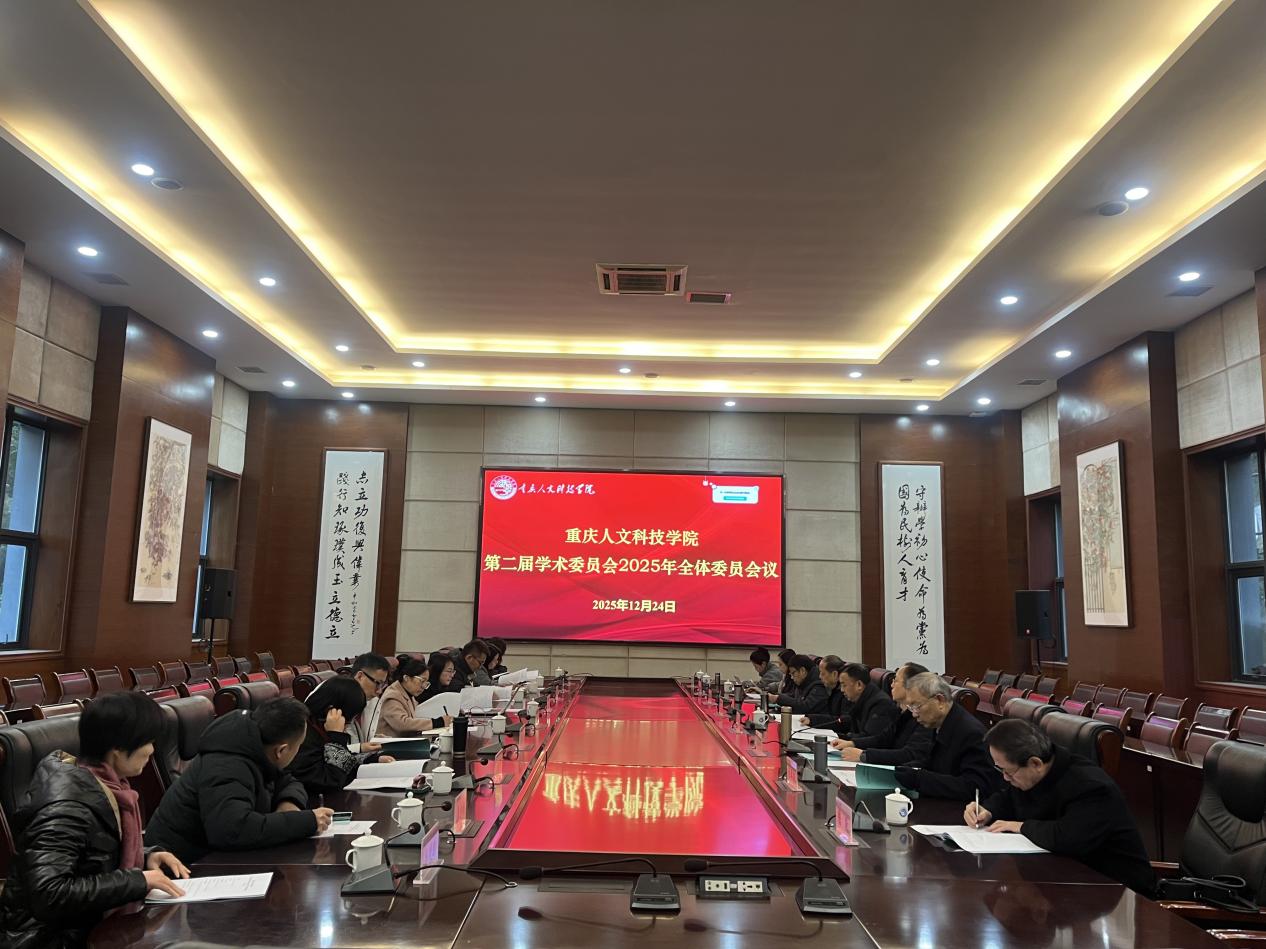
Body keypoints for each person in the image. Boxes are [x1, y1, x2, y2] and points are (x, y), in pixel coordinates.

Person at [0, 692, 189, 948]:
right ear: (118, 748)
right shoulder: (69, 806)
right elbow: (48, 892)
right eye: (148, 741)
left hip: (87, 930)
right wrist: (137, 881)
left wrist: (146, 857)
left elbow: (90, 856)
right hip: (50, 940)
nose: (152, 750)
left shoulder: (108, 788)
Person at [964, 719, 1156, 894]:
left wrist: (1021, 826)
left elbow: (1068, 837)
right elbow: (1009, 798)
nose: (1005, 778)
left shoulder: (1091, 787)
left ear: (1035, 763)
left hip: (1118, 890)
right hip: (1068, 879)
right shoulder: (1034, 775)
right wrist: (987, 810)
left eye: (1008, 772)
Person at [144, 697, 335, 864]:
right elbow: (233, 830)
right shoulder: (226, 765)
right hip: (182, 866)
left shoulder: (254, 744)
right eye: (298, 747)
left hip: (216, 856)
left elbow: (289, 781)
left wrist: (289, 803)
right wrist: (306, 821)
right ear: (281, 751)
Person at [892, 672, 1001, 801]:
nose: (914, 714)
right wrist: (911, 767)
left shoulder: (971, 733)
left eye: (917, 706)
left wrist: (919, 779)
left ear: (940, 700)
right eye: (911, 707)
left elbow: (975, 787)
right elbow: (936, 763)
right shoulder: (940, 723)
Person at [290, 677, 393, 797]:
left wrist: (369, 760)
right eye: (348, 721)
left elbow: (339, 759)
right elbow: (330, 781)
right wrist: (336, 736)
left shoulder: (316, 724)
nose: (347, 726)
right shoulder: (301, 733)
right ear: (331, 711)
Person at [833, 662, 934, 765]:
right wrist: (852, 743)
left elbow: (910, 754)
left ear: (911, 686)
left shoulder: (925, 717)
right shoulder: (904, 713)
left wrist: (863, 755)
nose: (891, 685)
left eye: (896, 680)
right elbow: (883, 738)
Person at [306, 652, 390, 753]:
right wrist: (359, 748)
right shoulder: (332, 692)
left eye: (383, 685)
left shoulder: (372, 698)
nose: (379, 691)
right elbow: (327, 751)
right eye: (378, 683)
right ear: (360, 676)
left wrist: (373, 740)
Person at [377, 654, 454, 736]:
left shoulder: (409, 694)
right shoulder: (392, 695)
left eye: (426, 683)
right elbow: (402, 723)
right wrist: (437, 722)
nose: (424, 687)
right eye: (422, 681)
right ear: (406, 678)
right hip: (389, 741)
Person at [833, 663, 899, 741]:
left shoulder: (881, 704)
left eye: (844, 685)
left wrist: (840, 738)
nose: (842, 690)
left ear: (859, 685)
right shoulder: (859, 699)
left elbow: (871, 739)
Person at [803, 656, 851, 728]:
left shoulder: (847, 693)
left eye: (823, 673)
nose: (819, 677)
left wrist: (813, 720)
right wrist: (811, 718)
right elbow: (830, 715)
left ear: (834, 674)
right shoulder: (832, 689)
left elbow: (843, 722)